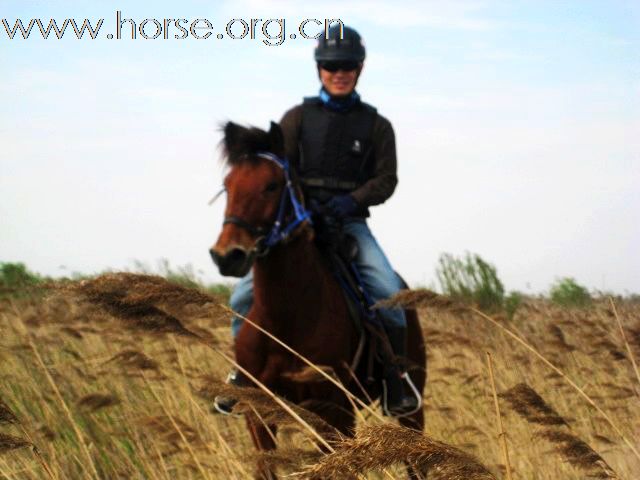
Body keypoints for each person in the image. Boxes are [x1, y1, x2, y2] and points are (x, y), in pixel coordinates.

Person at [218, 24, 418, 416]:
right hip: (300, 225)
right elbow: (279, 169)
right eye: (330, 66)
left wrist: (349, 203)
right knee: (242, 296)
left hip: (350, 224)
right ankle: (243, 373)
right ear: (319, 69)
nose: (338, 72)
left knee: (387, 289)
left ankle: (396, 379)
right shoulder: (296, 119)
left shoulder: (377, 126)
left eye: (346, 65)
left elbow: (386, 179)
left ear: (359, 68)